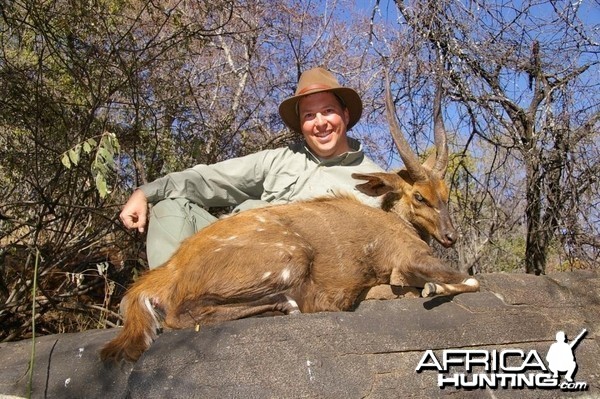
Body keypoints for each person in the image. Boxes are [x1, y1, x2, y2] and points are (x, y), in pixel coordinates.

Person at [120, 67, 385, 268]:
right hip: (230, 249)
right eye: (308, 115)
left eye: (328, 111)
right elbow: (210, 179)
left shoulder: (378, 182)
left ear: (345, 115)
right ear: (301, 125)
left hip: (286, 271)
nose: (319, 123)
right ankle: (164, 299)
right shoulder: (279, 159)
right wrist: (145, 192)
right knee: (169, 205)